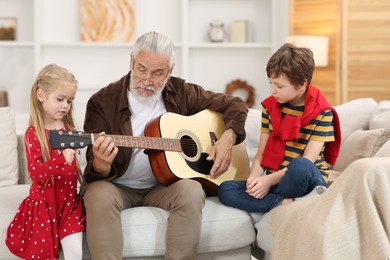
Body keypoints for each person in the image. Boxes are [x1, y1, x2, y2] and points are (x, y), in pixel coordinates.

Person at [81, 31, 248, 260]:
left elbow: (236, 104)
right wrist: (101, 163)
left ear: (169, 72)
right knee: (97, 194)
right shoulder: (102, 102)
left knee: (191, 190)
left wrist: (227, 138)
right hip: (118, 185)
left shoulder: (182, 93)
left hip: (164, 186)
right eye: (141, 69)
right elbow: (94, 169)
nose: (147, 80)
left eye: (157, 73)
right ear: (131, 61)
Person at [218, 43, 342, 213]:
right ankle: (284, 203)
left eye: (279, 86)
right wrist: (254, 179)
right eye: (271, 83)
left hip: (305, 180)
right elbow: (261, 155)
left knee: (300, 166)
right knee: (225, 189)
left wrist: (268, 181)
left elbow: (308, 161)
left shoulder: (322, 113)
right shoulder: (270, 108)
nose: (272, 90)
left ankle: (274, 201)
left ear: (302, 84)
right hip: (277, 182)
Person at [6, 64, 85, 259]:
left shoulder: (68, 128)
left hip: (69, 204)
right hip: (45, 206)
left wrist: (96, 140)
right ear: (41, 95)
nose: (66, 105)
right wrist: (60, 158)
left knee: (75, 253)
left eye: (69, 100)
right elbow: (36, 173)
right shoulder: (33, 134)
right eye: (60, 99)